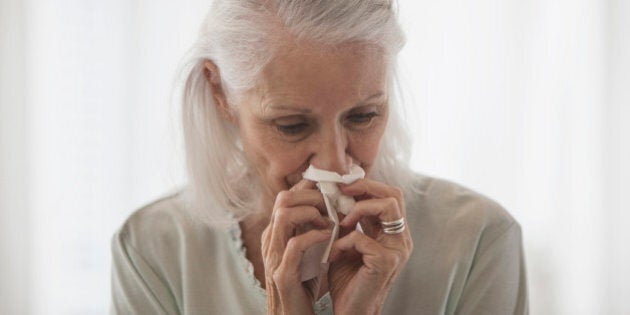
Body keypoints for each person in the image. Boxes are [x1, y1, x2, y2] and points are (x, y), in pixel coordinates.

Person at [110, 0, 529, 314]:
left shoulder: (477, 241)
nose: (334, 162)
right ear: (220, 93)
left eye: (363, 116)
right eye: (291, 125)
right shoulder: (154, 250)